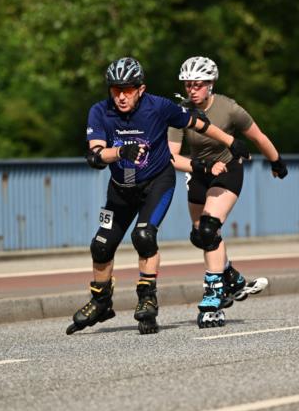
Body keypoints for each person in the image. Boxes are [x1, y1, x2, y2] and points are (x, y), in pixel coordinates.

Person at [68, 56, 251, 336]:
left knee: (143, 236)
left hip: (156, 183)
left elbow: (198, 123)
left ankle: (147, 299)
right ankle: (101, 302)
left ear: (141, 89)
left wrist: (231, 142)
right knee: (101, 245)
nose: (121, 96)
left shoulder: (159, 106)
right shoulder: (99, 111)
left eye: (128, 89)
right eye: (115, 89)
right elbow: (95, 155)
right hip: (120, 188)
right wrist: (119, 152)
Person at [168, 55, 288, 326]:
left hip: (228, 170)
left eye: (198, 84)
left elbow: (257, 136)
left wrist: (276, 161)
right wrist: (200, 167)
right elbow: (172, 157)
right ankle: (231, 277)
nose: (192, 90)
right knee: (201, 236)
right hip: (199, 171)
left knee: (210, 228)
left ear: (210, 84)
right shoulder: (180, 114)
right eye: (188, 85)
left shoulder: (229, 108)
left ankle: (213, 293)